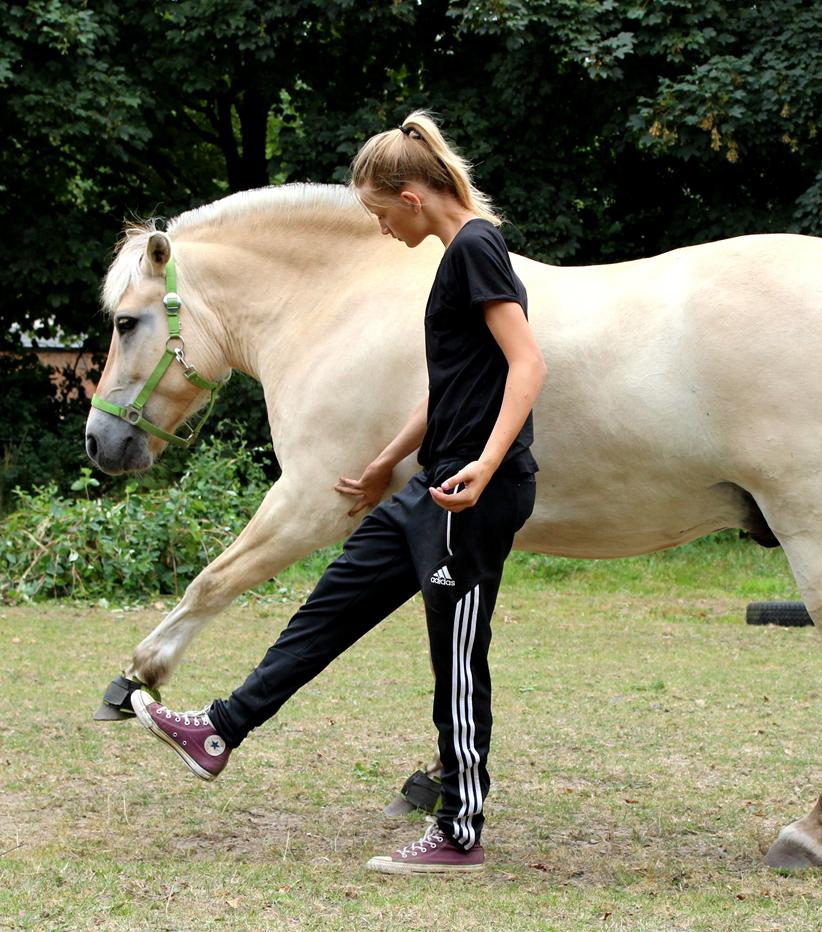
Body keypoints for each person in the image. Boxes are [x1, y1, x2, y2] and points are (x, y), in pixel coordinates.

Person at [130, 110, 546, 875]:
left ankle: (459, 833)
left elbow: (527, 364)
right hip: (430, 482)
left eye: (382, 214)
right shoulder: (455, 257)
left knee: (457, 658)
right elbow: (456, 382)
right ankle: (221, 730)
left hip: (471, 492)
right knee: (334, 601)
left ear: (412, 198)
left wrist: (487, 466)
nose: (381, 229)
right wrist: (385, 460)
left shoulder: (477, 248)